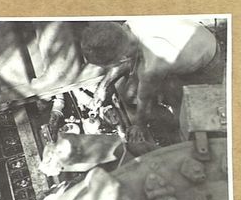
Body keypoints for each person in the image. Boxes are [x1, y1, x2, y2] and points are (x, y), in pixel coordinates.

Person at [81, 19, 225, 142]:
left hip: (204, 66)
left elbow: (144, 100)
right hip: (180, 48)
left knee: (190, 127)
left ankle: (182, 138)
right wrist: (102, 88)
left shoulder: (152, 64)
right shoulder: (129, 27)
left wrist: (139, 126)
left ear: (123, 58)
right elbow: (125, 58)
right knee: (147, 93)